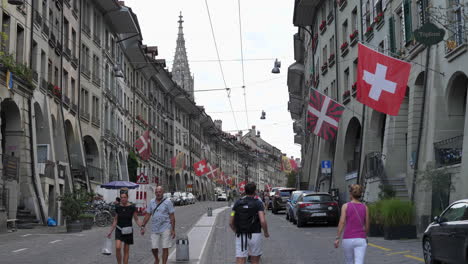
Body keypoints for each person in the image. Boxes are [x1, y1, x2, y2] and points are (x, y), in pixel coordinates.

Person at [230, 182, 269, 264]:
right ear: (255, 191)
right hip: (255, 234)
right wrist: (265, 232)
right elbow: (262, 220)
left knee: (240, 259)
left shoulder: (237, 203)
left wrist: (236, 230)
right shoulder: (258, 203)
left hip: (240, 234)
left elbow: (231, 220)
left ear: (245, 191)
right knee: (254, 260)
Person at [334, 184, 369, 264]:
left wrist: (337, 238)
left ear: (350, 194)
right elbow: (367, 225)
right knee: (359, 262)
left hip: (348, 239)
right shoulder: (365, 207)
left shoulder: (345, 206)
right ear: (360, 194)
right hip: (361, 239)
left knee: (349, 261)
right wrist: (365, 235)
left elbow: (342, 222)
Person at [141, 186, 176, 264]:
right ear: (155, 193)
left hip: (166, 227)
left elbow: (172, 217)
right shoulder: (151, 202)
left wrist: (173, 230)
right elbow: (148, 215)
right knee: (154, 248)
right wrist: (143, 226)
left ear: (163, 192)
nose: (158, 193)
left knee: (165, 247)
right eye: (156, 192)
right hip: (155, 228)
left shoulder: (168, 202)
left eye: (159, 192)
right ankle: (156, 259)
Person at [107, 188, 143, 264]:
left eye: (124, 197)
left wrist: (142, 227)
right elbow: (115, 220)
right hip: (119, 230)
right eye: (121, 197)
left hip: (128, 231)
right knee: (118, 247)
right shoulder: (117, 207)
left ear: (127, 197)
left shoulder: (132, 207)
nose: (123, 199)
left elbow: (136, 219)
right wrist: (110, 231)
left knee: (126, 250)